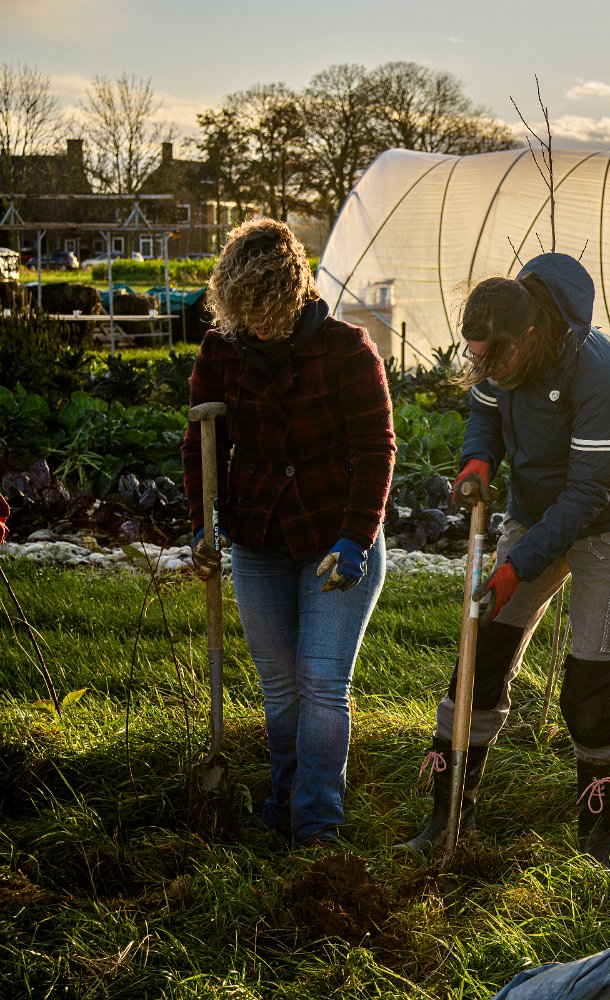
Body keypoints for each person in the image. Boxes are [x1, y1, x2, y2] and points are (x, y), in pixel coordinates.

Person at [398, 253, 610, 873]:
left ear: (535, 335)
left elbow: (589, 493)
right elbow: (484, 412)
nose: (484, 368)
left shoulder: (600, 371)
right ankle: (447, 814)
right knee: (482, 652)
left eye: (496, 357)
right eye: (475, 356)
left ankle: (599, 836)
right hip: (540, 509)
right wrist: (476, 461)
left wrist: (517, 568)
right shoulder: (500, 345)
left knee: (589, 681)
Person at [183, 218, 395, 847]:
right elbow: (203, 439)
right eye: (245, 313)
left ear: (294, 293)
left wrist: (358, 537)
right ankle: (283, 809)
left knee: (322, 683)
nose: (260, 326)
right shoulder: (223, 349)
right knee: (280, 688)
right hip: (258, 538)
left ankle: (318, 828)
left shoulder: (347, 351)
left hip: (335, 539)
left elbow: (377, 450)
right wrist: (202, 524)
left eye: (269, 311)